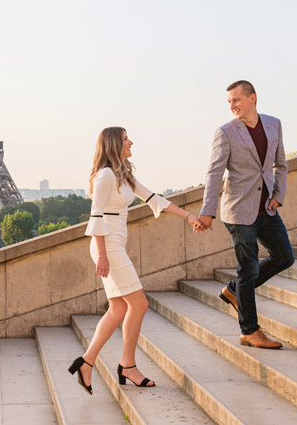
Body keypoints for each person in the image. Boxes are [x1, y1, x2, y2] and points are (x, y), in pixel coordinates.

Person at [70, 127, 205, 394]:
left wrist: (189, 217)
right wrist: (104, 255)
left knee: (118, 309)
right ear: (113, 144)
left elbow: (154, 199)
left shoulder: (123, 174)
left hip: (115, 244)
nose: (131, 141)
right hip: (107, 245)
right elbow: (95, 216)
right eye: (125, 139)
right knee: (139, 304)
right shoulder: (106, 175)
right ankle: (127, 365)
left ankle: (86, 362)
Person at [199, 80, 294, 349]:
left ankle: (234, 289)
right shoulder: (226, 132)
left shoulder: (273, 124)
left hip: (267, 207)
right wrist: (207, 211)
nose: (232, 106)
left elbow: (281, 165)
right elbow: (214, 173)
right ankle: (249, 330)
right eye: (229, 102)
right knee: (249, 268)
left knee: (285, 257)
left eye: (236, 100)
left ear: (252, 98)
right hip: (239, 210)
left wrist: (278, 196)